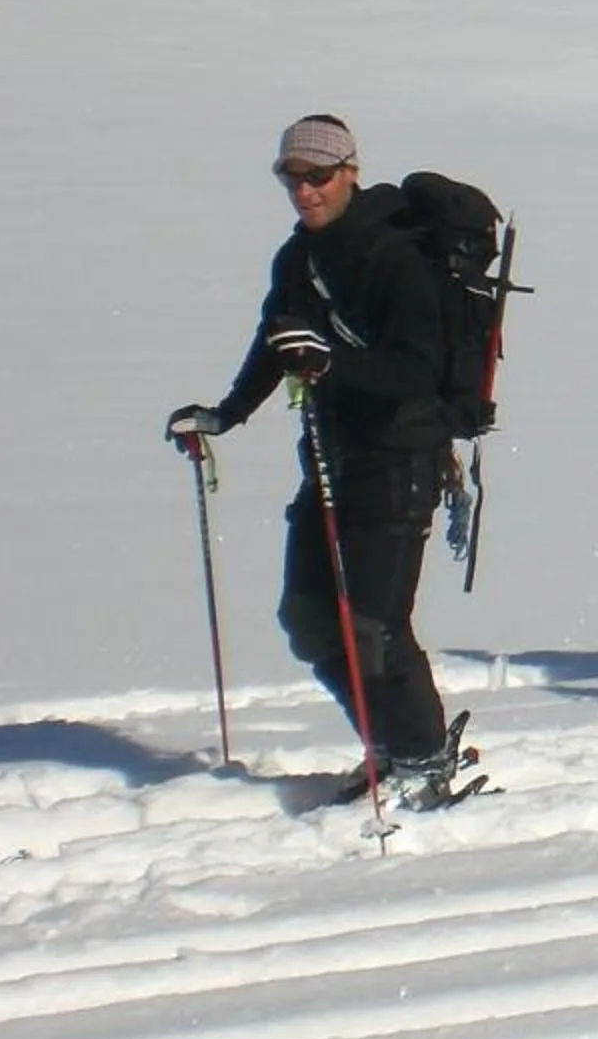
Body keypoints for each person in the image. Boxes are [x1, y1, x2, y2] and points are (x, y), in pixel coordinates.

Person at [163, 115, 466, 794]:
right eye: (291, 177)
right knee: (307, 621)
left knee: (373, 627)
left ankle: (423, 758)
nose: (304, 191)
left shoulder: (396, 260)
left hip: (402, 459)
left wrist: (333, 363)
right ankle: (390, 746)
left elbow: (418, 374)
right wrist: (225, 414)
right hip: (331, 462)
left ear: (349, 172)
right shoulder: (298, 258)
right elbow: (277, 341)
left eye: (317, 176)